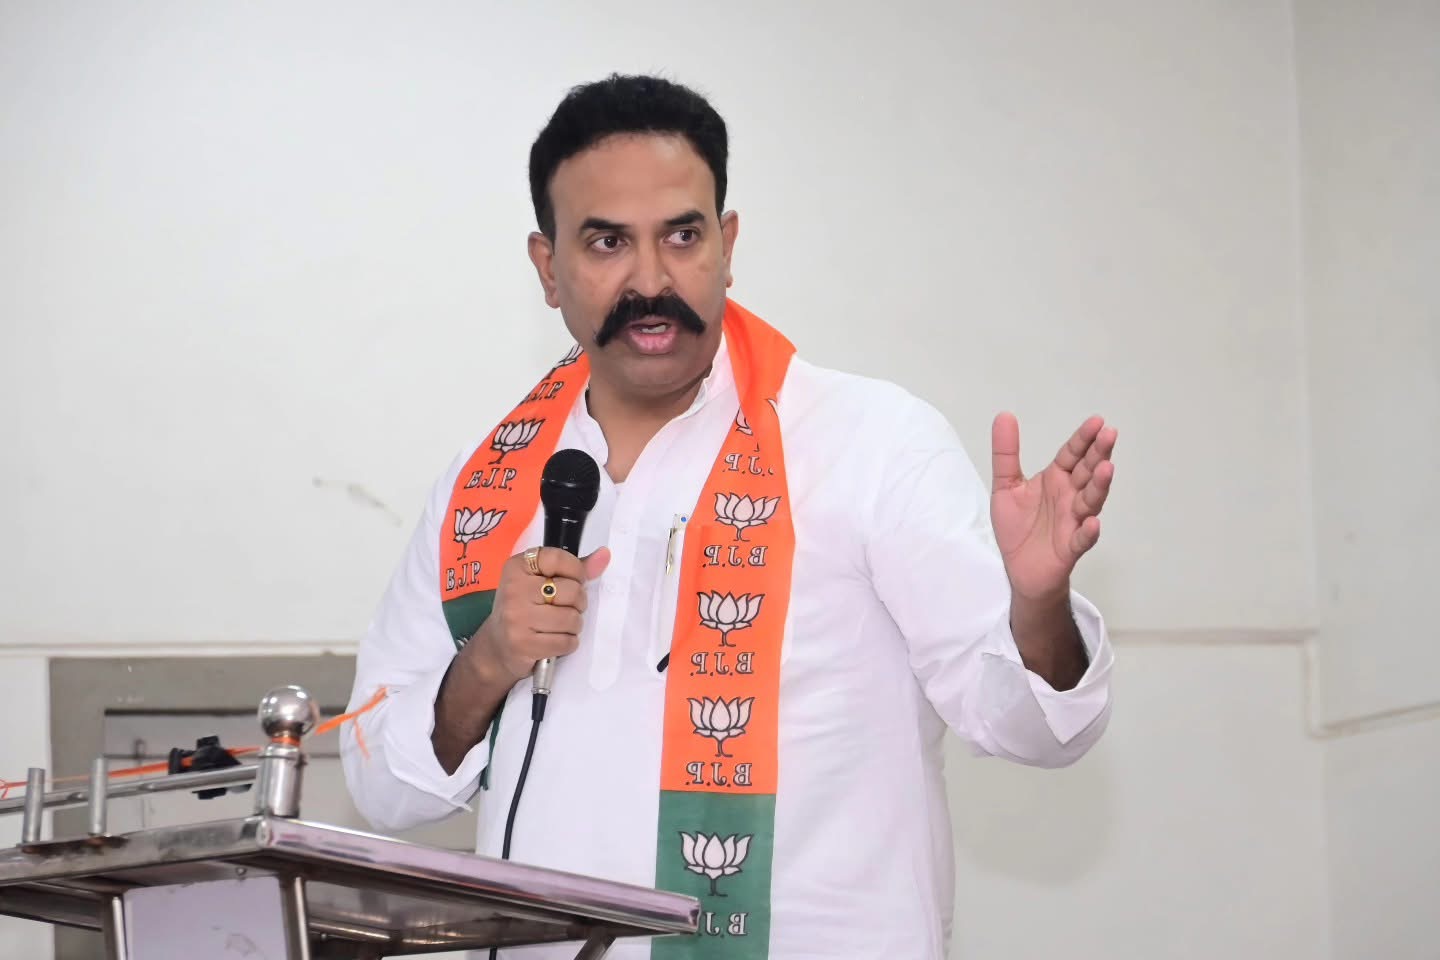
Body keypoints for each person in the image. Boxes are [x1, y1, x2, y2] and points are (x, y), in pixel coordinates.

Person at [341, 73, 1117, 960]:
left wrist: (1037, 605)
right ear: (548, 268)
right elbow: (380, 785)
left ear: (728, 243)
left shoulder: (868, 442)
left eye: (682, 235)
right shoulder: (483, 488)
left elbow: (1034, 729)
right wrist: (486, 663)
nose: (651, 279)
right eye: (607, 242)